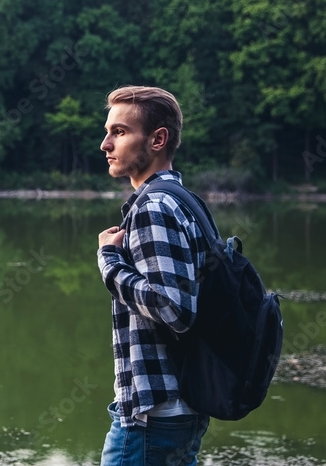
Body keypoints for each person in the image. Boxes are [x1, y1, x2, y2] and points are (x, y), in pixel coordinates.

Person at [96, 85, 211, 465]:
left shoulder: (154, 207)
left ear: (158, 139)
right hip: (179, 408)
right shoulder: (185, 201)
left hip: (152, 419)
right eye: (108, 131)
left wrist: (110, 261)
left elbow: (174, 308)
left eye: (120, 132)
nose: (105, 144)